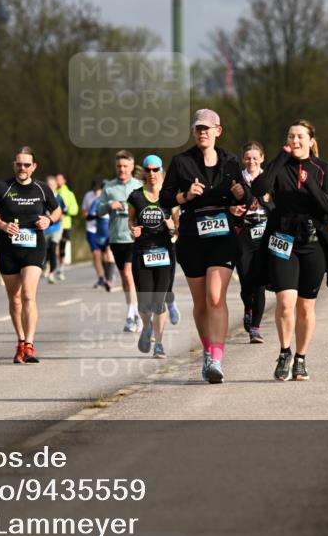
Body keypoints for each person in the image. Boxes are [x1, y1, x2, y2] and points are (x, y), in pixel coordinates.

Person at [251, 120, 328, 382]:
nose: (295, 140)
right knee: (285, 302)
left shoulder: (323, 168)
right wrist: (280, 158)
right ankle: (284, 352)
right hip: (283, 241)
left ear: (310, 140)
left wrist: (311, 186)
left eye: (300, 136)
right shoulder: (280, 166)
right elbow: (258, 190)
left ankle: (301, 358)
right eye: (291, 135)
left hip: (313, 243)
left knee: (305, 307)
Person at [160, 109, 248, 384]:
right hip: (191, 235)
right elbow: (164, 200)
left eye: (207, 128)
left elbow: (247, 196)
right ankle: (208, 353)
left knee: (214, 297)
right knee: (200, 302)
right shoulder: (182, 162)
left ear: (218, 131)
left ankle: (217, 359)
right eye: (198, 128)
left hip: (222, 235)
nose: (202, 132)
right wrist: (185, 195)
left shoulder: (231, 161)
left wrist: (240, 195)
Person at [0, 147, 62, 364]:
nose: (23, 168)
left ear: (34, 167)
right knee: (15, 298)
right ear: (14, 165)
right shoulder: (3, 187)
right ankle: (20, 341)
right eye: (19, 164)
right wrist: (2, 224)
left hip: (34, 247)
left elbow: (56, 211)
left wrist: (49, 220)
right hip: (8, 249)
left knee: (28, 294)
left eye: (27, 165)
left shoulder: (42, 188)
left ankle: (29, 344)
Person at [128, 155, 177, 359]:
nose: (151, 174)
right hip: (141, 253)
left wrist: (172, 226)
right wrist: (133, 230)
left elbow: (178, 225)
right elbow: (130, 221)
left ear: (161, 171)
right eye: (148, 170)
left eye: (155, 170)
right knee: (144, 302)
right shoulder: (135, 196)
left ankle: (159, 343)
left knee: (159, 301)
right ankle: (147, 326)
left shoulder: (170, 196)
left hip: (164, 253)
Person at [98, 151, 144, 333]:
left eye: (125, 166)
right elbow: (99, 211)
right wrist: (109, 205)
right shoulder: (109, 187)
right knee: (126, 280)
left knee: (128, 274)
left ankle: (133, 315)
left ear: (132, 167)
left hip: (134, 237)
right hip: (116, 238)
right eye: (119, 166)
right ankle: (132, 311)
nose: (122, 169)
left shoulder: (139, 186)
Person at [232, 142, 269, 344]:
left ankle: (255, 328)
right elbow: (226, 202)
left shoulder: (268, 179)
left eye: (255, 158)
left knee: (260, 284)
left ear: (262, 158)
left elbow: (276, 204)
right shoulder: (237, 179)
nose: (251, 161)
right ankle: (248, 307)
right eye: (248, 158)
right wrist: (231, 210)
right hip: (243, 235)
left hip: (265, 234)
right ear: (243, 159)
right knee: (246, 281)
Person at [81, 180, 113, 291]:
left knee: (108, 253)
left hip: (110, 230)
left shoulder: (114, 198)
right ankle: (102, 277)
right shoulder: (93, 199)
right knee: (97, 254)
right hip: (93, 230)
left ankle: (109, 278)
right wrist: (98, 216)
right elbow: (87, 215)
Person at [43, 175, 67, 284]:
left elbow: (64, 211)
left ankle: (52, 272)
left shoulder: (59, 198)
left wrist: (61, 216)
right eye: (48, 185)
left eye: (52, 185)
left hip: (56, 228)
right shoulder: (41, 197)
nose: (50, 187)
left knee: (53, 248)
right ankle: (45, 267)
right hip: (44, 229)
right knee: (45, 250)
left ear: (56, 186)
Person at [55, 173, 79, 280]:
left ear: (64, 180)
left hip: (65, 224)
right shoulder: (53, 193)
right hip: (54, 225)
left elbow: (75, 209)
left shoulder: (69, 194)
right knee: (53, 246)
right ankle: (53, 267)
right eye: (56, 179)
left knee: (62, 248)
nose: (58, 181)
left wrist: (67, 212)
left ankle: (61, 269)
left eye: (60, 179)